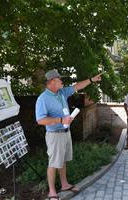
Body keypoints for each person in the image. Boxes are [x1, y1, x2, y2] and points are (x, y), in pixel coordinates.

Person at [35, 69, 102, 200]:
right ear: (53, 81)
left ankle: (64, 184)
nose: (62, 81)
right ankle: (52, 192)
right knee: (53, 163)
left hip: (65, 132)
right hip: (54, 135)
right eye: (60, 79)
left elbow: (77, 86)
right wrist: (60, 120)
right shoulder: (43, 99)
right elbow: (40, 120)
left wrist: (91, 80)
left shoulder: (61, 92)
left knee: (63, 160)